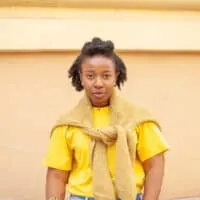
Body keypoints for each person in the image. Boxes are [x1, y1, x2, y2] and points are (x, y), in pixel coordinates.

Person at [44, 37, 169, 200]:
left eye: (106, 75)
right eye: (90, 76)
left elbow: (155, 164)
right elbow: (56, 176)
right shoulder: (68, 124)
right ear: (81, 76)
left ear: (116, 76)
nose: (98, 83)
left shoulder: (137, 118)